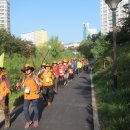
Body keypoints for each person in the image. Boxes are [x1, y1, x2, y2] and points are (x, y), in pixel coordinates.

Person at [16, 64, 41, 129]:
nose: (27, 71)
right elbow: (20, 87)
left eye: (28, 69)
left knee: (35, 109)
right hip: (27, 96)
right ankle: (28, 121)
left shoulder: (34, 76)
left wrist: (39, 88)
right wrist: (18, 86)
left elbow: (40, 84)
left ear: (30, 70)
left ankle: (36, 120)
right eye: (25, 70)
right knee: (25, 109)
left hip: (34, 95)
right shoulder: (24, 78)